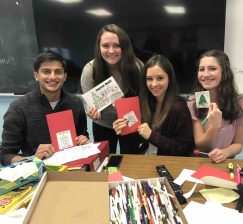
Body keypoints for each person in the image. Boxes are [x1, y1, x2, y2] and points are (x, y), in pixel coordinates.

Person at [0, 51, 90, 166]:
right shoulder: (18, 108)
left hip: (72, 169)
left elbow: (82, 136)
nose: (52, 77)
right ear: (36, 75)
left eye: (58, 72)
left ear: (65, 76)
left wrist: (85, 142)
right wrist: (33, 159)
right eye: (46, 71)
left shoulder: (76, 103)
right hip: (37, 174)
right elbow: (5, 155)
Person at [81, 24, 144, 154]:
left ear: (124, 47)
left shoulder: (137, 67)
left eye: (117, 45)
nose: (111, 51)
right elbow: (89, 104)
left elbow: (144, 98)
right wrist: (91, 112)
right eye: (105, 46)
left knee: (131, 160)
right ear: (99, 47)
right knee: (105, 162)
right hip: (103, 124)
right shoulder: (90, 70)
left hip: (130, 123)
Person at [113, 55, 194, 156]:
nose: (154, 84)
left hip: (167, 163)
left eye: (160, 78)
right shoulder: (144, 102)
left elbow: (183, 148)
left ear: (169, 79)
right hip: (145, 158)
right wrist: (124, 130)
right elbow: (138, 139)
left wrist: (152, 135)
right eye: (149, 79)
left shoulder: (179, 108)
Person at [187, 50, 243, 163]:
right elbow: (200, 145)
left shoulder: (241, 104)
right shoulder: (195, 101)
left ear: (224, 72)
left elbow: (239, 144)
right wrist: (213, 127)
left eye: (212, 68)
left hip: (225, 162)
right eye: (202, 69)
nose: (206, 74)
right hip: (200, 162)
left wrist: (225, 152)